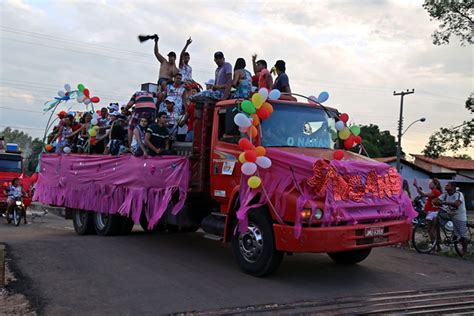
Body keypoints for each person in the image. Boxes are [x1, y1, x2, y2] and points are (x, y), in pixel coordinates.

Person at [434, 182, 469, 258]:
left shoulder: (458, 194)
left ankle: (465, 252)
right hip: (449, 214)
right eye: (446, 185)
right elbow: (436, 200)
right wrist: (437, 202)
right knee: (436, 219)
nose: (446, 186)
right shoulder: (445, 194)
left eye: (448, 185)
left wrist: (444, 202)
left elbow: (457, 204)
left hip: (459, 215)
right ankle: (441, 239)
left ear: (453, 187)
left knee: (463, 236)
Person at [413, 177, 443, 251]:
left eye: (431, 183)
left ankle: (434, 246)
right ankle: (436, 246)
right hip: (431, 212)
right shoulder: (434, 191)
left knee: (431, 230)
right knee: (432, 230)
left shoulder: (435, 191)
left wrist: (416, 186)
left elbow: (422, 194)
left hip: (433, 213)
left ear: (435, 185)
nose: (429, 184)